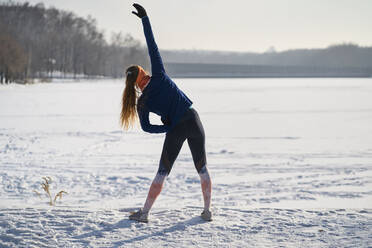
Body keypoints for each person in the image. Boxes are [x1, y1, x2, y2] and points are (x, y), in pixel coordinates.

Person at [120, 3, 212, 223]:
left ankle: (144, 213)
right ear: (143, 72)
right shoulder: (159, 75)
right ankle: (207, 211)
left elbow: (145, 127)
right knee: (202, 168)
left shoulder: (142, 102)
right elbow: (152, 45)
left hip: (176, 127)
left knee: (162, 172)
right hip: (193, 117)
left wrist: (166, 128)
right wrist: (145, 18)